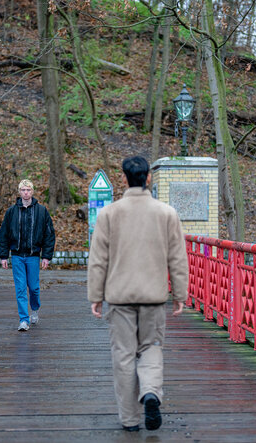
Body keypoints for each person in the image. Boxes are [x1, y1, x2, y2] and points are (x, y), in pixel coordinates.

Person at [87, 156, 189, 432]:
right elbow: (178, 258)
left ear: (123, 178)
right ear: (148, 178)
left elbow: (98, 259)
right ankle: (151, 392)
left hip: (119, 297)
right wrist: (180, 294)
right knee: (151, 348)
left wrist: (95, 296)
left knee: (123, 355)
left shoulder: (109, 214)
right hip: (154, 297)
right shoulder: (167, 213)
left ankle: (130, 419)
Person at [0, 179, 56, 331]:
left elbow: (49, 235)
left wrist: (46, 256)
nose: (26, 192)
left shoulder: (41, 211)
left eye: (28, 190)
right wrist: (3, 256)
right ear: (19, 192)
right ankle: (24, 320)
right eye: (23, 190)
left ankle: (35, 309)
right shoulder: (11, 212)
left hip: (33, 256)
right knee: (21, 289)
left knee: (34, 288)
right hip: (17, 256)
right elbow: (3, 234)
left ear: (32, 192)